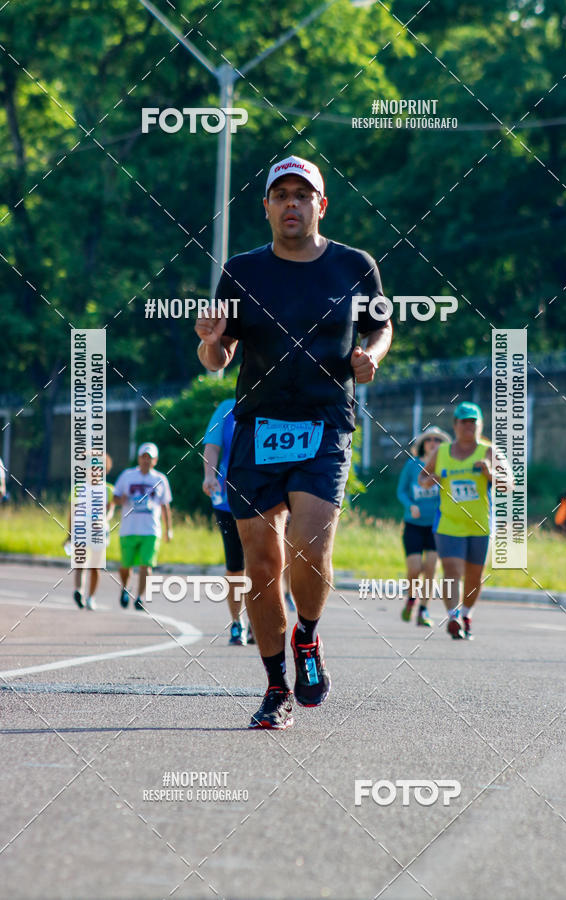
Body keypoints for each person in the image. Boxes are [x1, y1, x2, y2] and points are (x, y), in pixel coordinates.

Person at [195, 155, 392, 729]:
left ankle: (307, 634)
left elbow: (380, 324)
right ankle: (276, 686)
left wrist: (369, 356)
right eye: (280, 195)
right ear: (266, 207)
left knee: (309, 548)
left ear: (320, 205)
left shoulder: (355, 266)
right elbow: (219, 356)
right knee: (260, 565)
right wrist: (209, 343)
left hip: (325, 423)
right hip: (256, 427)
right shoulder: (241, 271)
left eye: (302, 195)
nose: (291, 204)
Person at [418, 402, 512, 640]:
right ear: (455, 425)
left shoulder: (489, 452)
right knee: (452, 570)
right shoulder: (442, 452)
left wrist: (490, 474)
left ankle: (467, 614)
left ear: (480, 425)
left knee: (473, 576)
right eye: (464, 422)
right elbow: (422, 476)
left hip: (479, 524)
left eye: (473, 422)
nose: (469, 426)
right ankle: (453, 616)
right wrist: (429, 481)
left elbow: (510, 485)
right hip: (448, 523)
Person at [202, 397, 255, 645]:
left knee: (266, 561)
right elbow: (212, 446)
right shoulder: (226, 408)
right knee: (236, 564)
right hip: (227, 496)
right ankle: (237, 623)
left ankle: (259, 620)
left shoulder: (276, 399)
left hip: (267, 496)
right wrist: (209, 476)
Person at [397, 427, 450, 626]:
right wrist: (410, 505)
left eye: (437, 440)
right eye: (429, 439)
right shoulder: (412, 466)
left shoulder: (444, 467)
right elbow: (401, 491)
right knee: (414, 567)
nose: (433, 442)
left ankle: (423, 610)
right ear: (422, 444)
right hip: (414, 524)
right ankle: (411, 598)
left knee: (431, 567)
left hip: (436, 525)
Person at [113, 442, 173, 610]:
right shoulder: (127, 476)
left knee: (146, 565)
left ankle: (140, 596)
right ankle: (125, 588)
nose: (146, 460)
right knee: (126, 566)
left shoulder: (160, 479)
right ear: (139, 458)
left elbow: (165, 506)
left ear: (155, 460)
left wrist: (169, 529)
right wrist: (121, 499)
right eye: (144, 457)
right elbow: (115, 497)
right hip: (129, 529)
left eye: (150, 458)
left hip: (151, 529)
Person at [64, 452, 115, 610]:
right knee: (80, 563)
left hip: (99, 530)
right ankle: (79, 590)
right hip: (81, 528)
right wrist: (69, 534)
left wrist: (104, 520)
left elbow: (111, 510)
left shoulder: (108, 489)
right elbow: (71, 512)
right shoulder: (78, 488)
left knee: (95, 566)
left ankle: (91, 597)